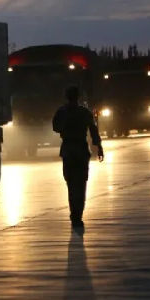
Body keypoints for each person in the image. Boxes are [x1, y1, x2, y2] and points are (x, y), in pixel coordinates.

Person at [52, 85, 103, 229]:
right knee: (81, 184)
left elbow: (55, 127)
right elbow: (93, 130)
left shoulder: (61, 112)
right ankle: (77, 215)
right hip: (81, 149)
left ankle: (74, 213)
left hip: (68, 149)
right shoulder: (84, 112)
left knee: (71, 184)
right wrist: (98, 147)